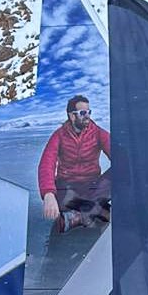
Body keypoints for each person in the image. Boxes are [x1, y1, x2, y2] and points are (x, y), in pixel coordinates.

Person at [37, 94, 111, 233]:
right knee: (62, 199)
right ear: (72, 116)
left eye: (89, 112)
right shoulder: (59, 135)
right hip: (67, 187)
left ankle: (78, 217)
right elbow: (47, 163)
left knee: (120, 169)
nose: (87, 116)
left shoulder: (98, 133)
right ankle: (98, 210)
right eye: (83, 113)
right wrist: (48, 194)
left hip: (92, 186)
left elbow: (119, 157)